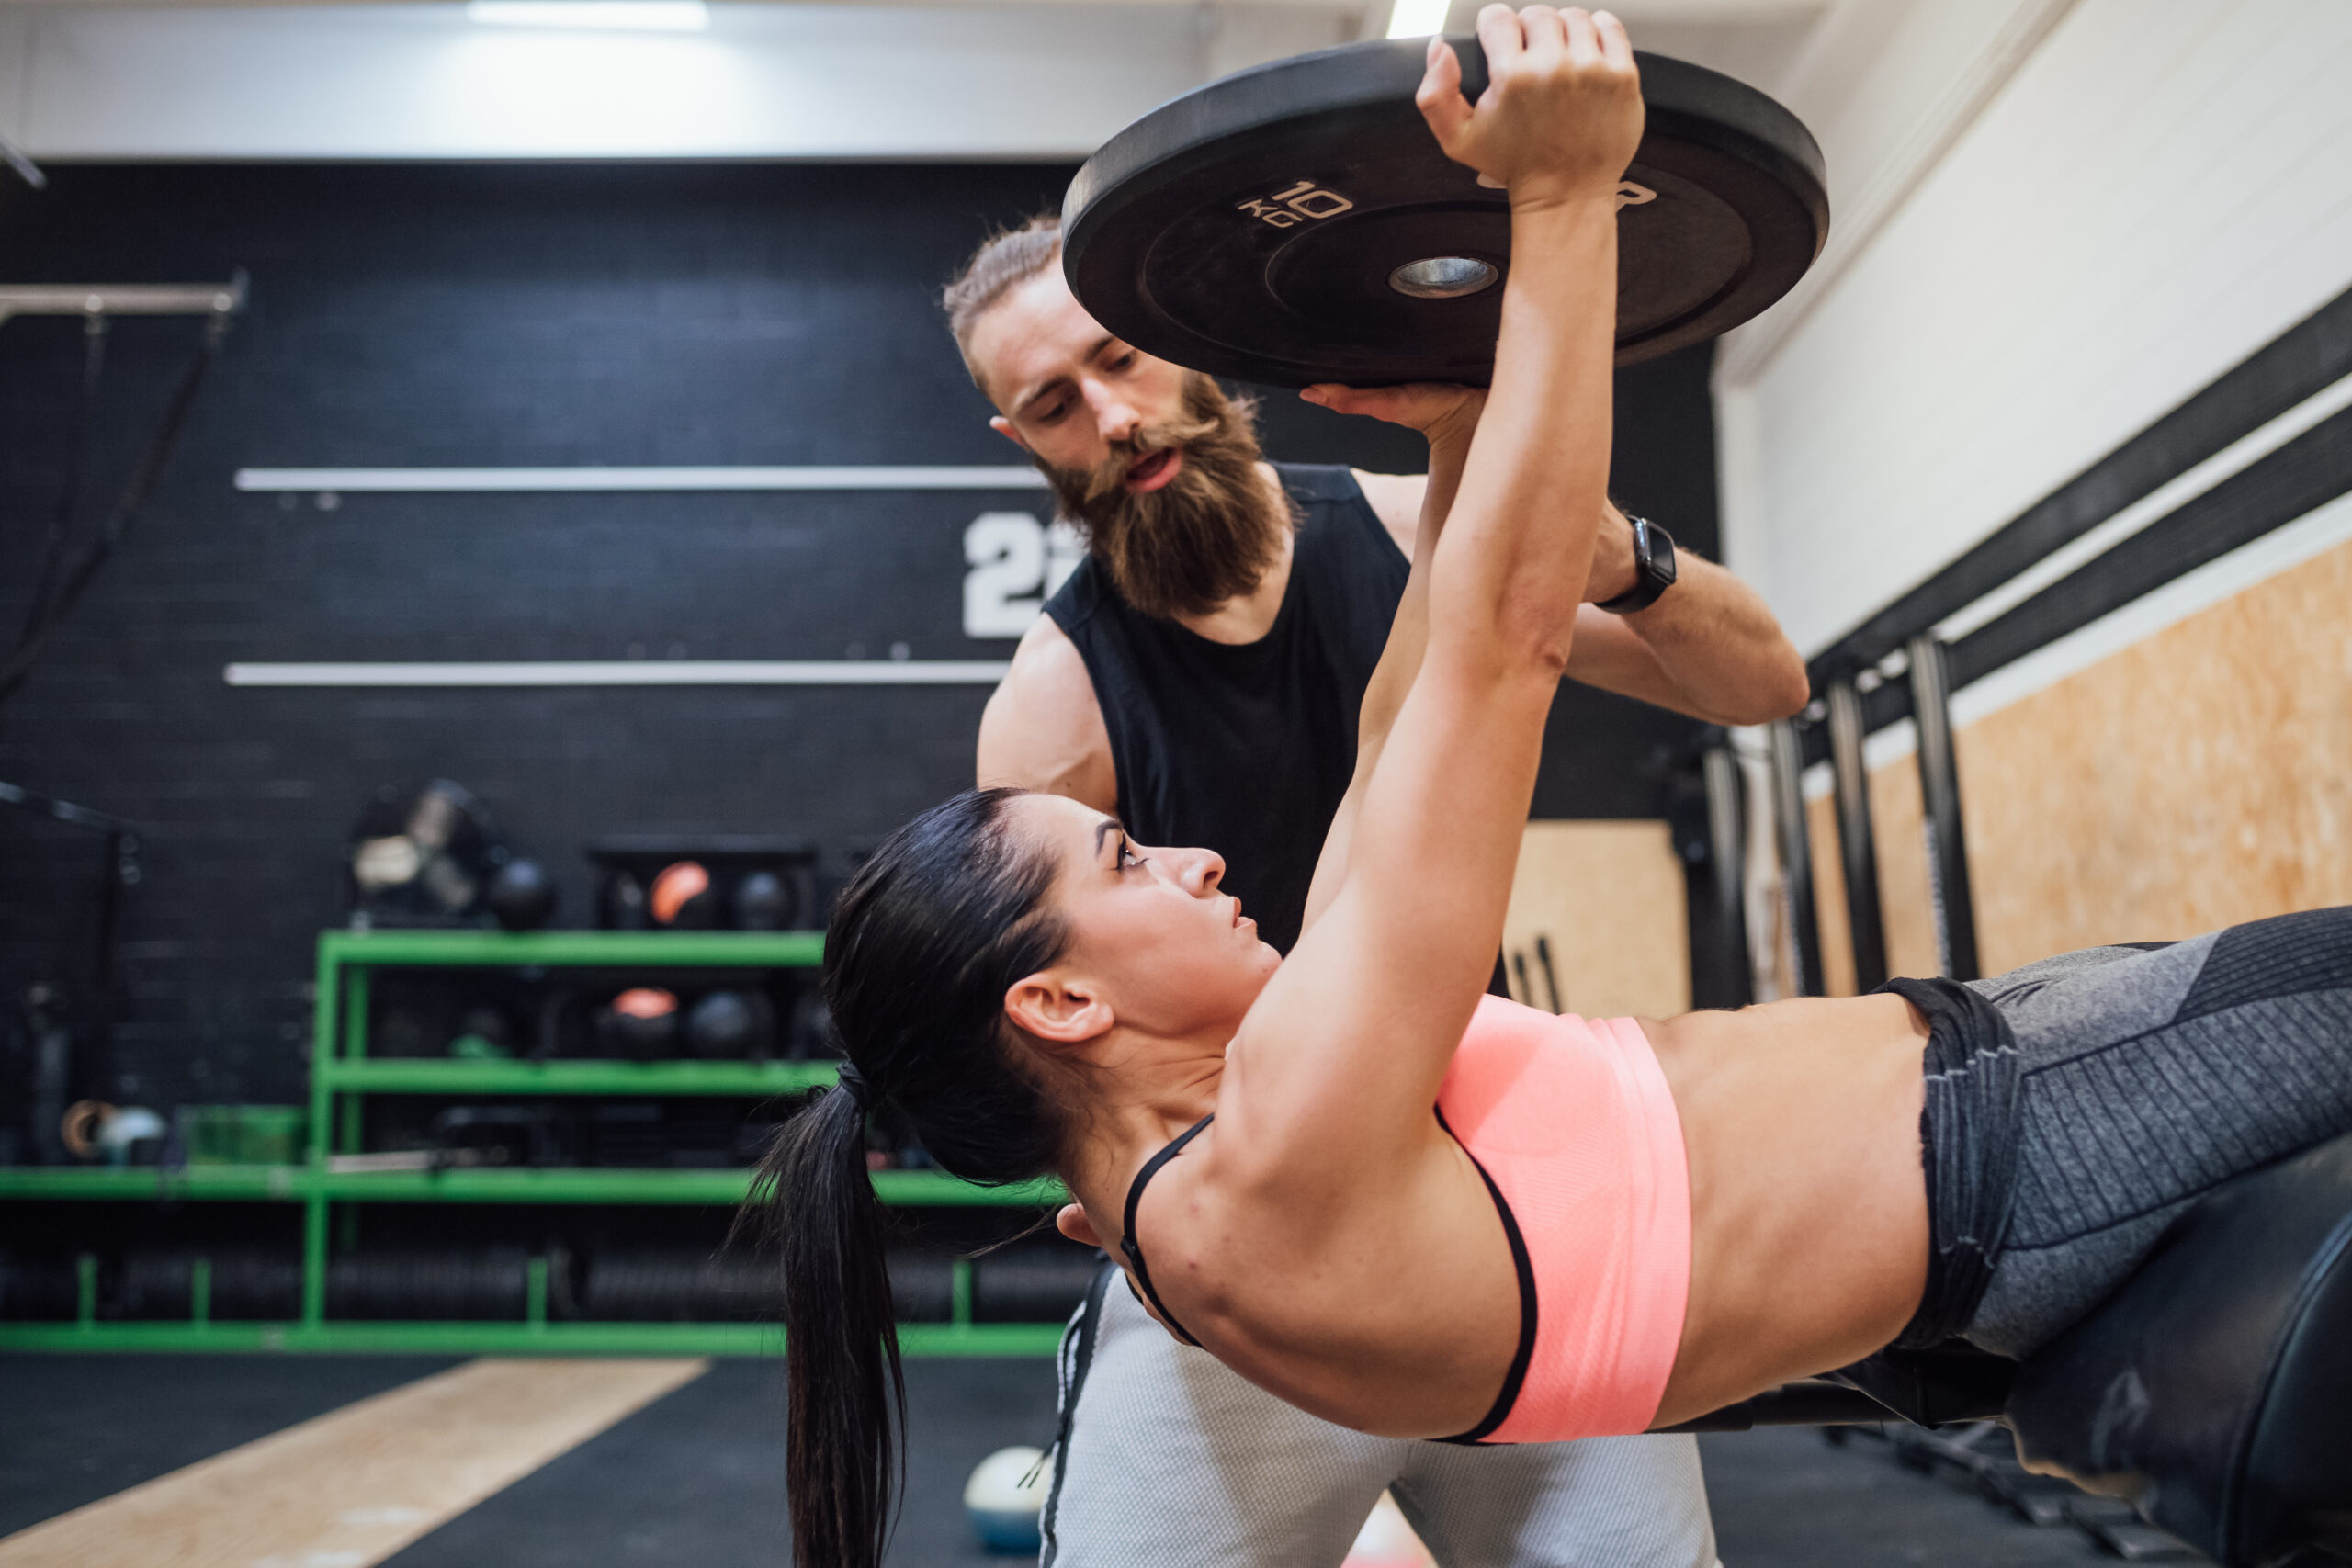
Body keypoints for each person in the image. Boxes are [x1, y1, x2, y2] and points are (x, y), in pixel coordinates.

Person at [754, 12, 2352, 1568]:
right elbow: (1493, 658)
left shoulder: (1218, 1170)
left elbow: (1416, 716)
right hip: (1968, 1145)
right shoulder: (1253, 1039)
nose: (1182, 858)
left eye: (1115, 360)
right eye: (1120, 858)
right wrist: (1567, 200)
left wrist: (1466, 417)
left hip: (1554, 1223)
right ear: (1057, 1007)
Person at [949, 49, 1797, 1568]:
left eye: (1119, 363)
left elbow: (1764, 685)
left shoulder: (1412, 519)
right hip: (1248, 1222)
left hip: (1488, 1172)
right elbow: (1021, 1014)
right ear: (1026, 444)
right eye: (1056, 406)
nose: (1115, 418)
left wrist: (1627, 560)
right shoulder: (1056, 698)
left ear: (1183, 343)